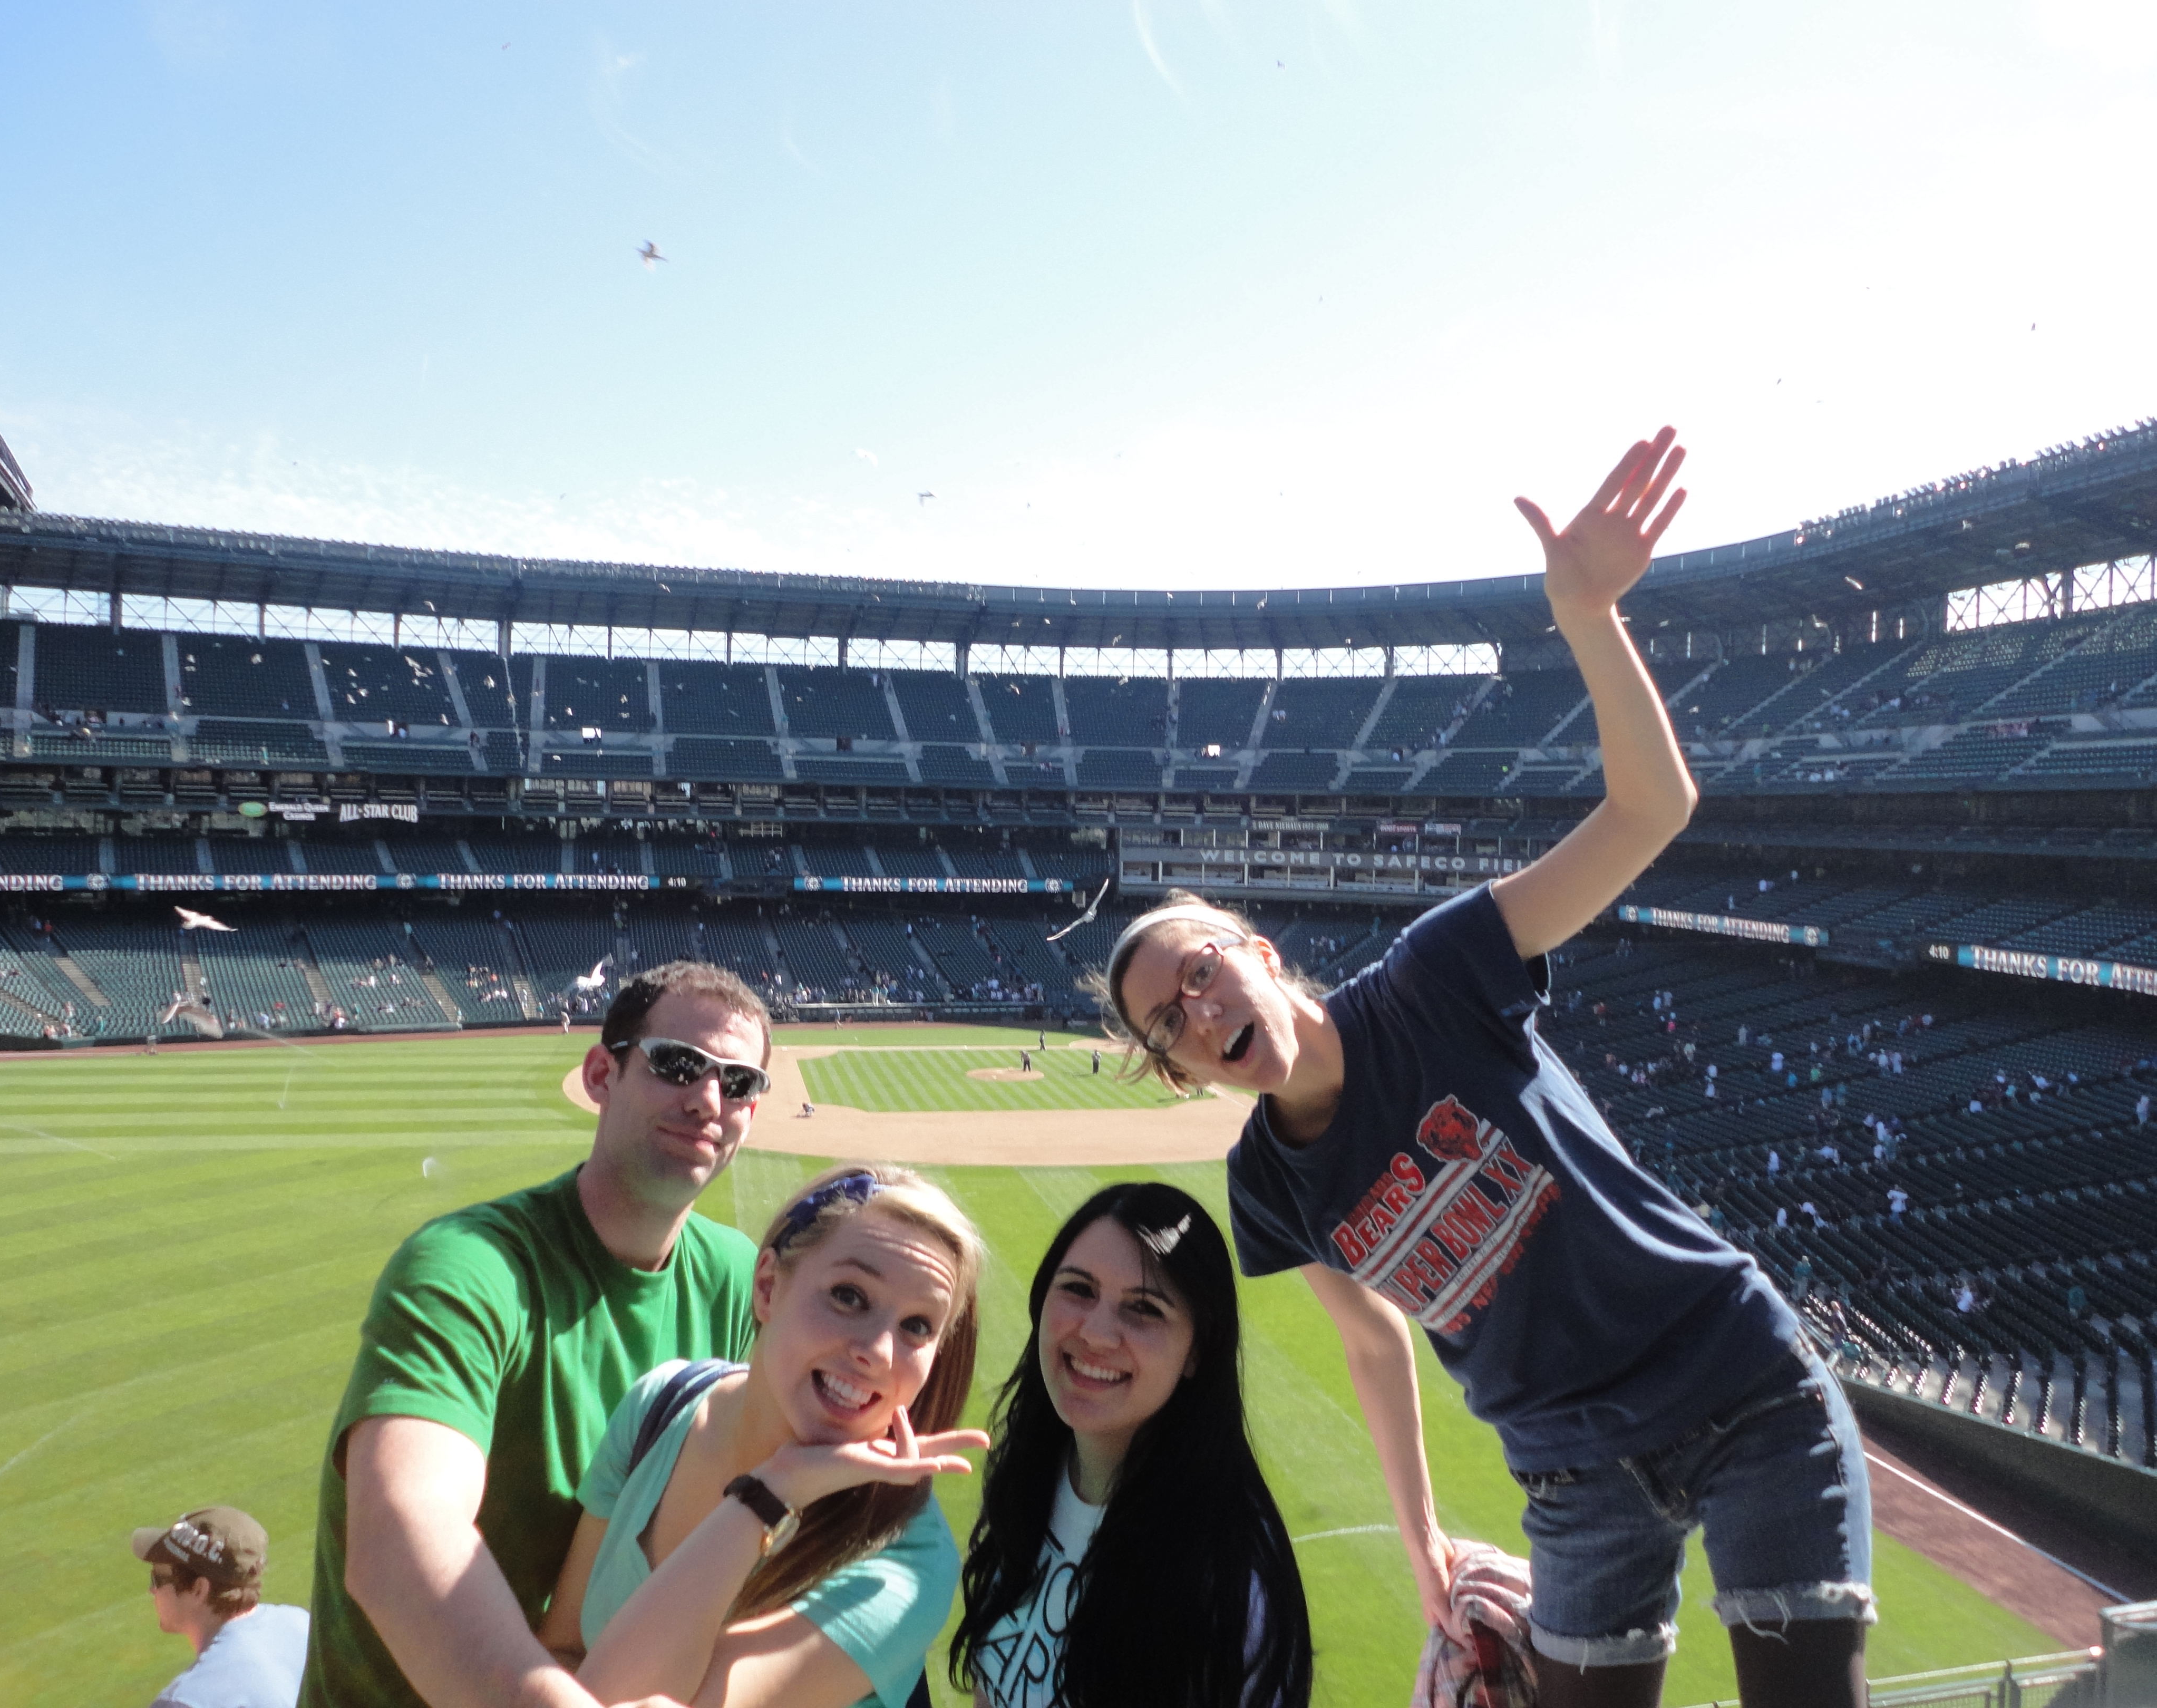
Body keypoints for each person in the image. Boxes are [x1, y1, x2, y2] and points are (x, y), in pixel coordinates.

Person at [1093, 431, 1874, 1708]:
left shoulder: (1435, 975)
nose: (1198, 1009)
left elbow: (1650, 811)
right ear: (1182, 1070)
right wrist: (1421, 1543)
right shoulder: (1268, 1187)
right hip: (1572, 1475)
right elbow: (1373, 1345)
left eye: (1201, 970)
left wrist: (1589, 617)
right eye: (1168, 1022)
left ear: (1258, 952)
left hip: (1737, 1386)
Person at [300, 962, 775, 1708]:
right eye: (678, 1065)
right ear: (601, 1075)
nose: (708, 1100)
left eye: (739, 1082)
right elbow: (399, 1545)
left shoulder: (742, 1282)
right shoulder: (469, 1267)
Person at [539, 1164, 988, 1708]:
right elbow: (565, 1649)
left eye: (917, 1326)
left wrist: (768, 1494)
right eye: (849, 1296)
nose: (878, 1351)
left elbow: (621, 1695)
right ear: (768, 1287)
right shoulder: (662, 1405)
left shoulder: (909, 1563)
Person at [951, 1181, 1312, 1708]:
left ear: (1197, 1351)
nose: (1097, 1334)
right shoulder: (1031, 1474)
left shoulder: (1229, 1579)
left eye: (1144, 1308)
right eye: (1079, 1289)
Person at [134, 1506, 309, 1708]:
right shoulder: (304, 1625)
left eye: (158, 1579)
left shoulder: (187, 1701)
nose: (152, 1590)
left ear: (199, 1590)